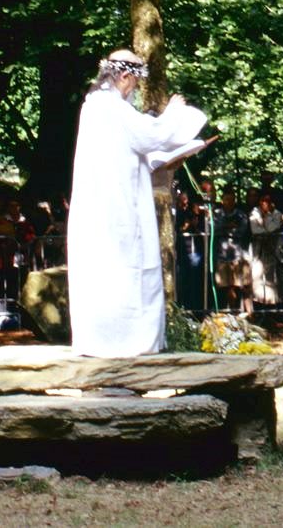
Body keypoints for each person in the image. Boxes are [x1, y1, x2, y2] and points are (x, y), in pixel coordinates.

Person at [67, 50, 207, 358]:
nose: (136, 90)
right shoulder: (111, 108)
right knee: (124, 269)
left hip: (104, 203)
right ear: (125, 76)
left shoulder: (95, 107)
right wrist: (173, 112)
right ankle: (124, 344)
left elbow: (131, 148)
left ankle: (104, 342)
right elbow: (150, 135)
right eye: (136, 82)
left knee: (105, 270)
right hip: (118, 206)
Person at [211, 188, 252, 312]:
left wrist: (226, 228)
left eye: (231, 199)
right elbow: (215, 229)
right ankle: (224, 313)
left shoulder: (241, 214)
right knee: (223, 286)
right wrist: (229, 226)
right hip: (222, 255)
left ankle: (243, 312)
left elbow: (241, 231)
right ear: (222, 200)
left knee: (239, 285)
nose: (229, 202)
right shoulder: (217, 213)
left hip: (237, 255)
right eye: (226, 199)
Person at [248, 194, 283, 307]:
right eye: (263, 200)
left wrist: (267, 217)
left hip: (273, 251)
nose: (265, 203)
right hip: (259, 252)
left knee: (273, 281)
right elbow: (255, 230)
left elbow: (271, 228)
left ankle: (273, 311)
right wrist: (266, 230)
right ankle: (259, 309)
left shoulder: (277, 213)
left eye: (268, 201)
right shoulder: (254, 212)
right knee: (258, 281)